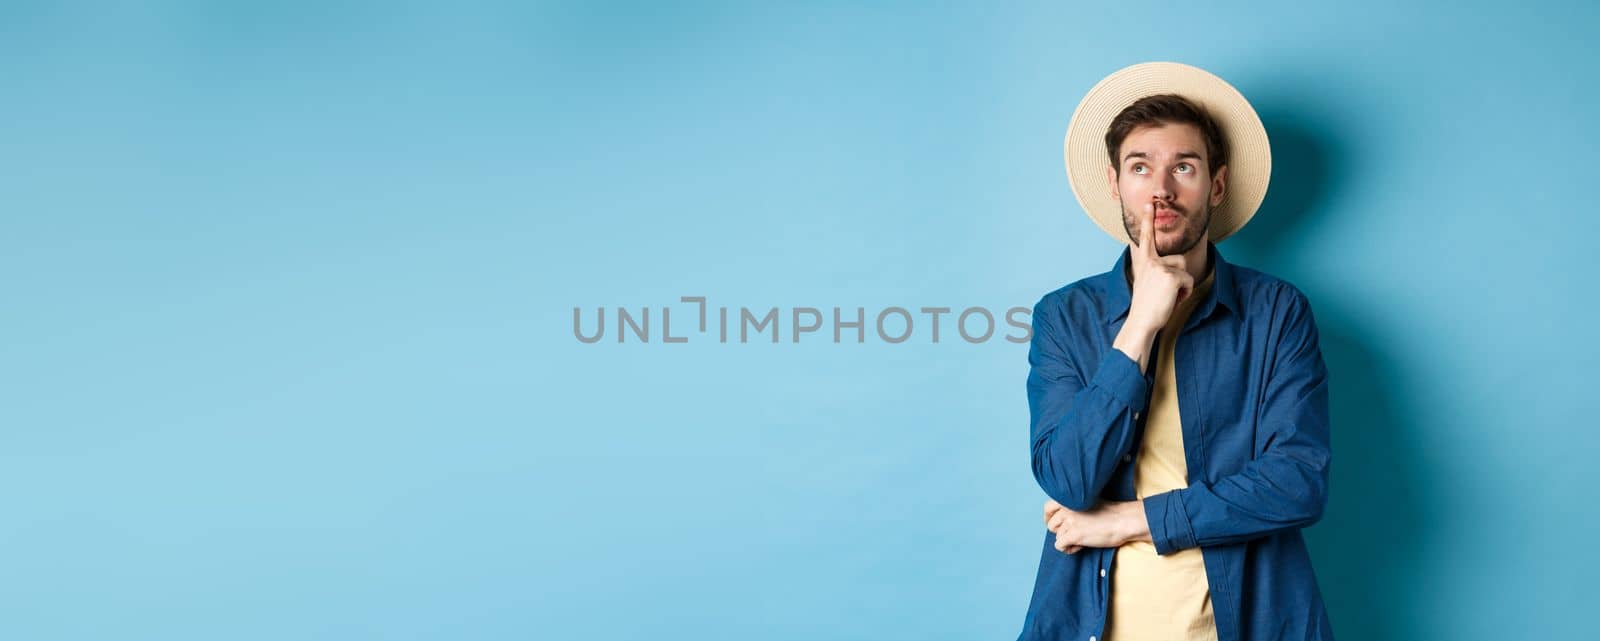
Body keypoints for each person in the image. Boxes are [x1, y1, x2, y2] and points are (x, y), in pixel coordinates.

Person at [1016, 62, 1334, 641]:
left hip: (1248, 621)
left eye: (1182, 167)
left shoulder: (1277, 313)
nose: (1160, 189)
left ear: (1215, 185)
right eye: (1140, 168)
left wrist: (1129, 521)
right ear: (1116, 185)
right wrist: (1139, 325)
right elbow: (1067, 477)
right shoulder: (1065, 316)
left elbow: (1297, 481)